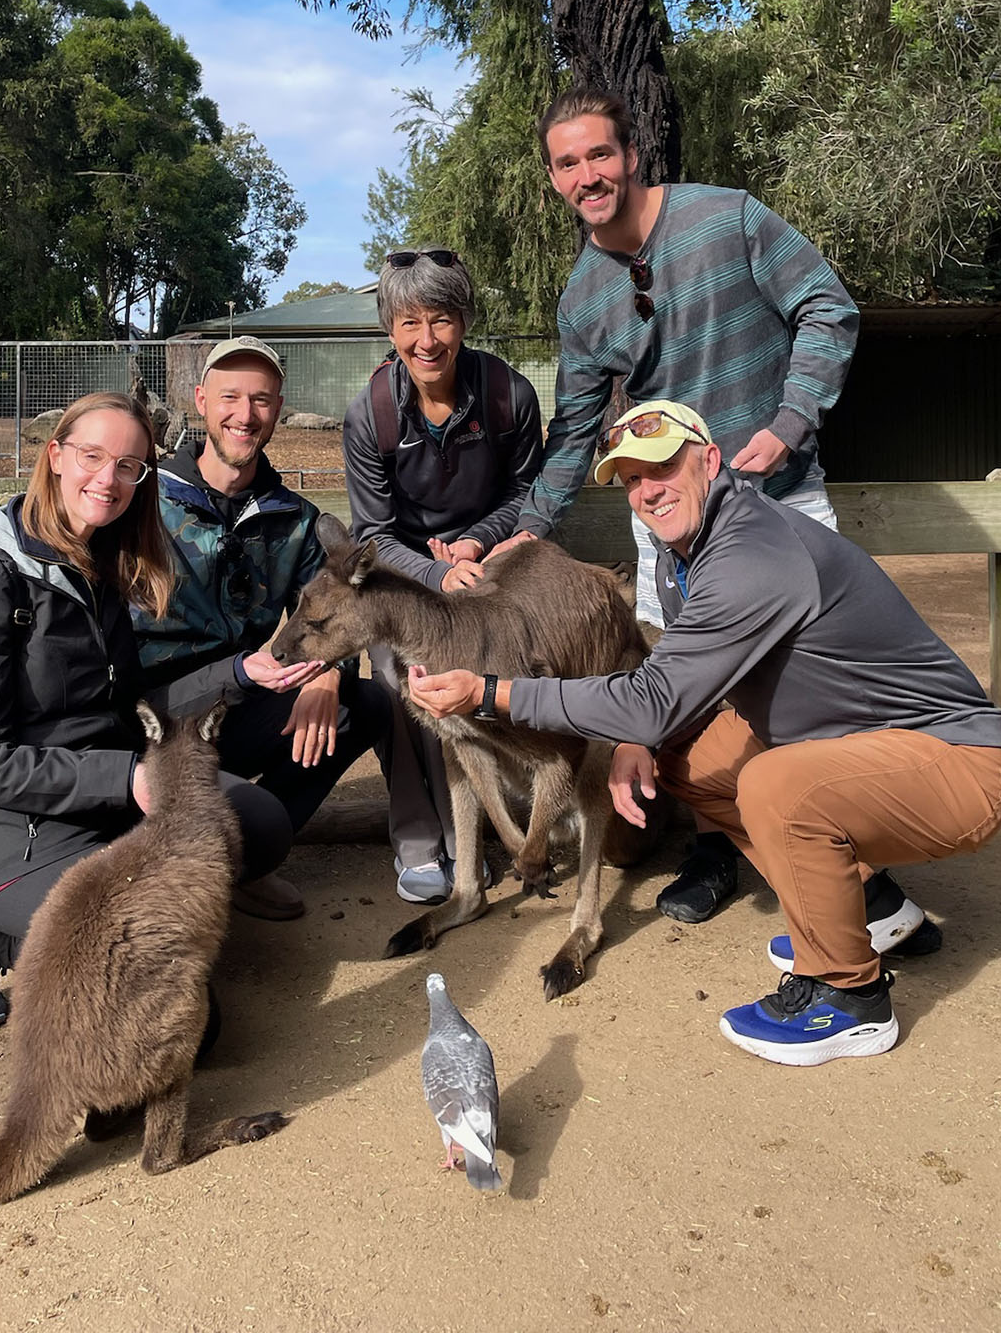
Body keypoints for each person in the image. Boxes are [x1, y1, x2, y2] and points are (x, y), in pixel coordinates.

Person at [409, 400, 1001, 1067]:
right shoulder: (684, 556)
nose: (648, 490)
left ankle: (850, 999)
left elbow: (652, 695)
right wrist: (642, 740)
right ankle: (868, 904)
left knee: (775, 786)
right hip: (853, 746)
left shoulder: (751, 551)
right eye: (632, 480)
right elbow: (670, 685)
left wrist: (491, 692)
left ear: (711, 462)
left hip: (952, 764)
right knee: (685, 758)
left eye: (663, 466)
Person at [496, 86, 864, 929]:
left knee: (809, 684)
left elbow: (826, 307)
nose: (587, 173)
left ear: (630, 155)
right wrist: (526, 531)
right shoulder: (585, 299)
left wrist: (787, 421)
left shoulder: (726, 219)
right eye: (567, 162)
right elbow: (576, 431)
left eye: (599, 154)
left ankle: (848, 858)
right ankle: (715, 846)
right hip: (669, 520)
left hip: (775, 498)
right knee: (686, 694)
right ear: (553, 178)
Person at [0, 392, 175, 1030]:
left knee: (250, 826)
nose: (108, 479)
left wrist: (240, 675)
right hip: (2, 826)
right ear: (55, 455)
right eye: (93, 456)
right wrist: (125, 779)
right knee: (154, 1015)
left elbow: (125, 705)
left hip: (88, 803)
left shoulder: (100, 563)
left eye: (129, 466)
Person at [134, 336, 391, 920]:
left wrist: (328, 674)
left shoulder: (291, 517)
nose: (244, 416)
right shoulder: (143, 501)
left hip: (236, 697)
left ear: (278, 407)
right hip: (154, 709)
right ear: (201, 401)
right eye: (229, 398)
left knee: (364, 703)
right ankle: (199, 844)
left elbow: (340, 612)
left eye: (261, 400)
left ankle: (245, 858)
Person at [342, 247, 543, 903]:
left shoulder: (509, 395)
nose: (426, 340)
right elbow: (371, 534)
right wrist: (433, 570)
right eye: (409, 323)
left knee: (495, 667)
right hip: (404, 567)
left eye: (441, 319)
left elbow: (528, 496)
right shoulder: (371, 412)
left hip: (492, 558)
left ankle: (498, 824)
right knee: (402, 676)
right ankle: (421, 836)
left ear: (464, 320)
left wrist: (475, 545)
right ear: (389, 329)